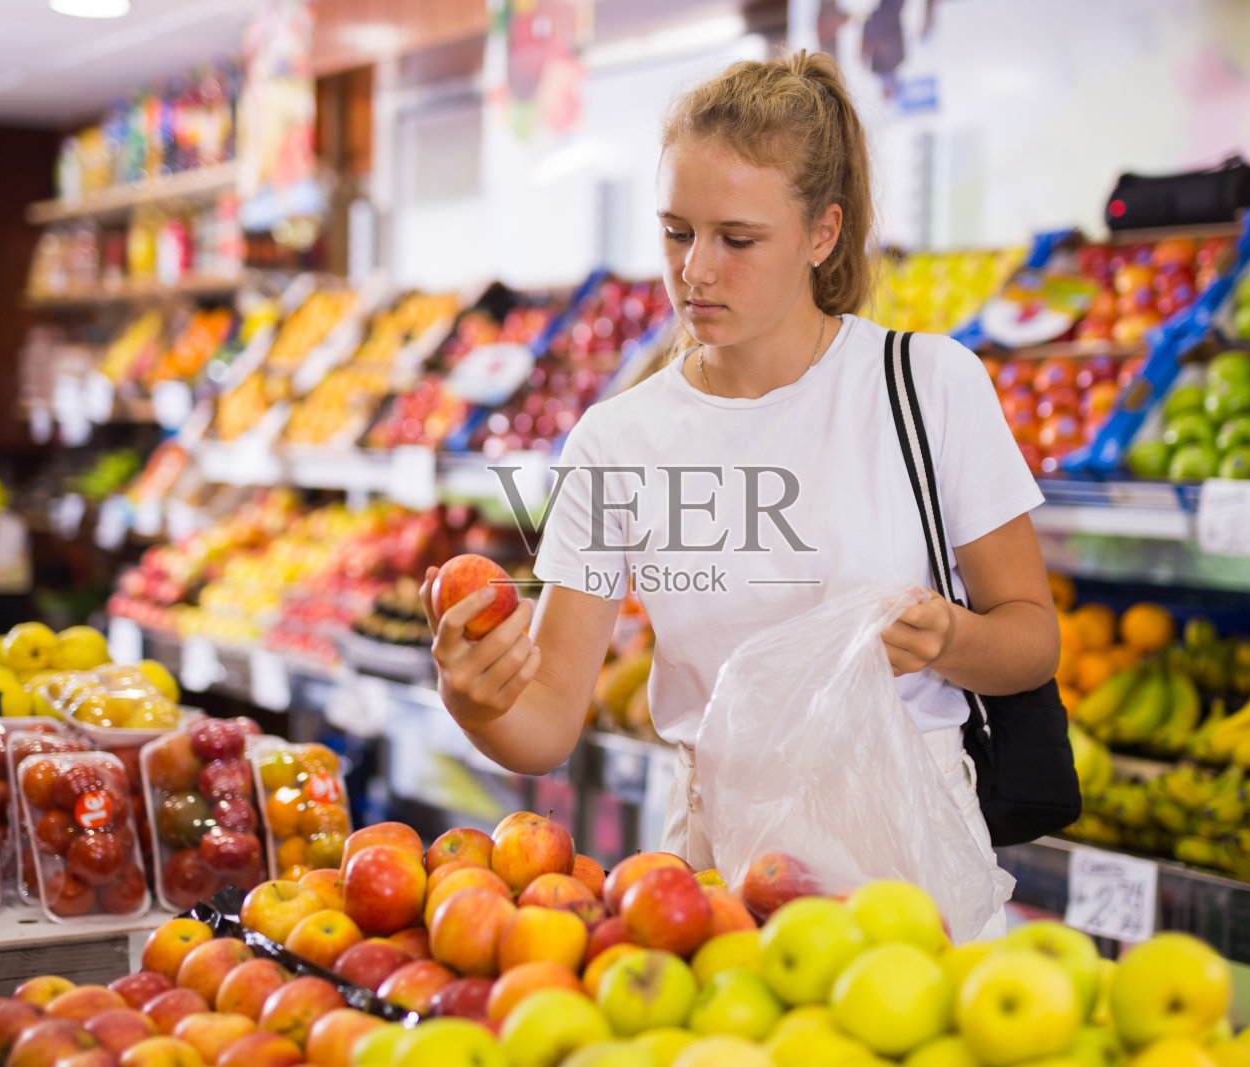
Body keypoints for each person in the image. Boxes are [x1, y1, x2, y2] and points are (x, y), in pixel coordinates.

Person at [420, 50, 1058, 935]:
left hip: (912, 862)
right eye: (677, 232)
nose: (696, 271)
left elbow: (1032, 639)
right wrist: (474, 699)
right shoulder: (619, 440)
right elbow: (549, 722)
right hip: (719, 877)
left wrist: (952, 638)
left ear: (823, 233)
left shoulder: (928, 386)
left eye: (737, 239)